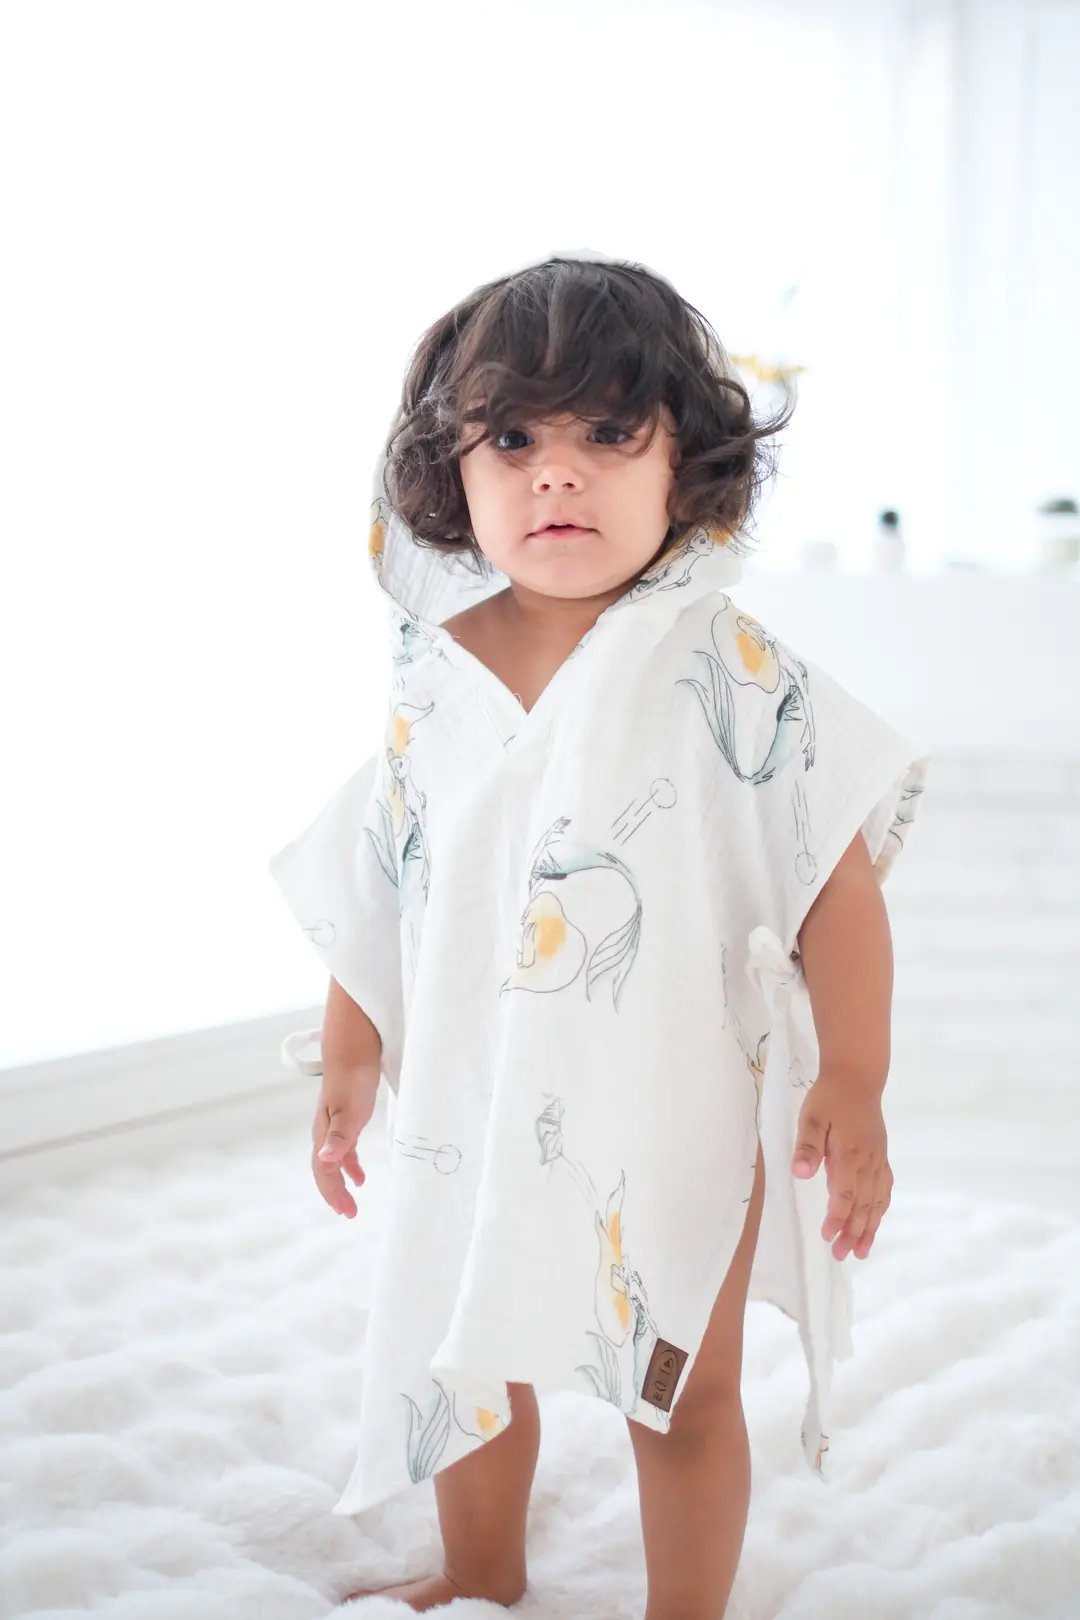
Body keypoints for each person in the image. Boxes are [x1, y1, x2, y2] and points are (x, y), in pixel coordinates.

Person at [268, 250, 930, 1618]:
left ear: (687, 460)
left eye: (609, 435)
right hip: (476, 1089)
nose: (556, 475)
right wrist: (350, 1050)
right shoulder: (435, 668)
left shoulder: (729, 666)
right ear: (450, 468)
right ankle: (482, 1571)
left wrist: (856, 1075)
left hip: (674, 1098)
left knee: (676, 1377)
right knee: (467, 1347)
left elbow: (835, 876)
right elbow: (393, 868)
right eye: (512, 441)